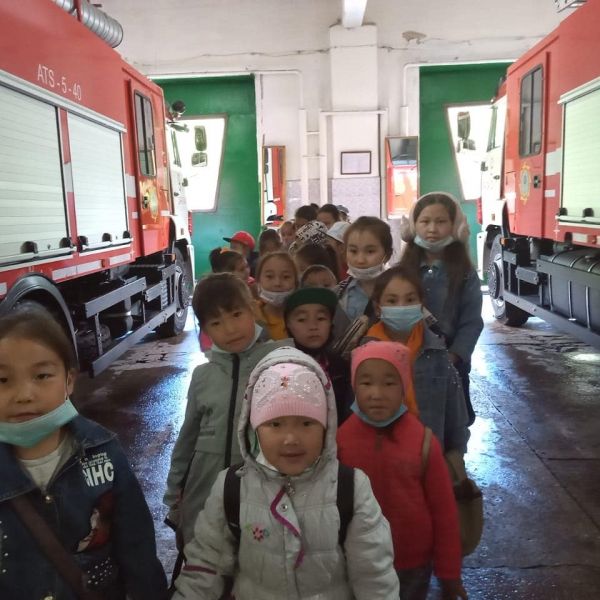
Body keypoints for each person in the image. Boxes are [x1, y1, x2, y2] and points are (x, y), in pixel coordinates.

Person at [172, 346, 399, 600]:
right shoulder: (231, 488)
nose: (291, 439)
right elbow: (204, 567)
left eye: (306, 423)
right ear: (254, 429)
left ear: (326, 427)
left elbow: (374, 578)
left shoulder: (351, 489)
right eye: (275, 424)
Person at [0, 305, 167, 600]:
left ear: (69, 380)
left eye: (42, 376)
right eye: (3, 380)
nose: (24, 394)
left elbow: (137, 545)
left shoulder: (104, 451)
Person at [164, 273, 288, 547]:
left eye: (236, 314)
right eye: (216, 322)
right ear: (205, 331)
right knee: (204, 553)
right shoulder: (202, 376)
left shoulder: (280, 363)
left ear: (252, 309)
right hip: (205, 487)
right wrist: (175, 491)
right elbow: (187, 438)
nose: (230, 329)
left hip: (263, 487)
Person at [338, 341, 467, 600]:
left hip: (412, 565)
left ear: (405, 386)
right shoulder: (339, 442)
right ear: (354, 386)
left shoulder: (423, 442)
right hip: (357, 562)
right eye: (366, 383)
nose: (376, 394)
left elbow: (444, 512)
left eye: (389, 383)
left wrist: (449, 573)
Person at [365, 265, 469, 453]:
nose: (402, 307)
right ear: (378, 308)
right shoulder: (364, 354)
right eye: (392, 300)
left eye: (410, 299)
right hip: (381, 457)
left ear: (421, 305)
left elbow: (456, 416)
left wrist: (455, 457)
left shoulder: (437, 353)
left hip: (430, 456)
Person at [399, 192, 483, 425]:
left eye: (441, 221)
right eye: (425, 221)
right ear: (413, 227)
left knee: (452, 423)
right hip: (408, 362)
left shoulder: (465, 275)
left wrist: (454, 357)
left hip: (450, 364)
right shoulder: (402, 271)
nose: (432, 229)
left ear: (456, 227)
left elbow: (471, 322)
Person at [284, 287, 352, 424]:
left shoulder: (341, 368)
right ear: (288, 325)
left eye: (321, 318)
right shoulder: (280, 367)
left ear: (331, 323)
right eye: (302, 319)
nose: (313, 326)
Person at [337, 216, 393, 321]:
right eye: (353, 251)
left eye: (370, 251)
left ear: (387, 255)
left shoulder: (400, 290)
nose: (360, 260)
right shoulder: (339, 292)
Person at [254, 251, 298, 340]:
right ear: (258, 281)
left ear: (296, 283)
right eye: (269, 276)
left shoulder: (304, 318)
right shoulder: (250, 316)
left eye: (286, 277)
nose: (277, 283)